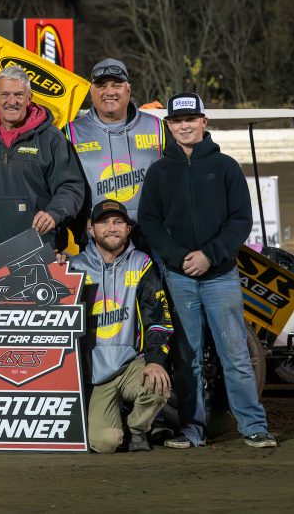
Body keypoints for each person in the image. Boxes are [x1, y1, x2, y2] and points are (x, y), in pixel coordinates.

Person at [138, 93, 277, 449]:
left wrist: (209, 255)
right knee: (187, 359)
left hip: (220, 276)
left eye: (191, 119)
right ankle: (191, 430)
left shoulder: (226, 167)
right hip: (179, 277)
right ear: (169, 126)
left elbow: (240, 222)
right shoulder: (158, 172)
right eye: (177, 121)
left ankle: (253, 426)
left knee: (235, 354)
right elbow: (150, 223)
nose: (184, 126)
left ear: (204, 122)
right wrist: (180, 258)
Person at [68, 199, 173, 453]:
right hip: (94, 373)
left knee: (157, 384)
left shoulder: (142, 263)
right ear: (91, 229)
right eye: (103, 222)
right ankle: (121, 427)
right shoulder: (73, 266)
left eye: (118, 222)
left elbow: (158, 319)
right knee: (106, 443)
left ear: (128, 229)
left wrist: (156, 360)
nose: (111, 228)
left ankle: (137, 428)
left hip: (130, 365)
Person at [0, 65, 84, 252]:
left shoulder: (52, 138)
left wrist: (54, 213)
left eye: (18, 95)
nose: (12, 101)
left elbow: (71, 187)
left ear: (29, 98)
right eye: (5, 94)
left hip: (40, 248)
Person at [65, 58, 165, 230]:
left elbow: (176, 182)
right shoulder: (71, 133)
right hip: (95, 241)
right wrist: (79, 227)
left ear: (128, 89)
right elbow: (62, 189)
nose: (109, 92)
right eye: (102, 86)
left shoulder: (157, 127)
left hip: (150, 237)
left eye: (117, 85)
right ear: (91, 91)